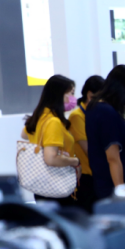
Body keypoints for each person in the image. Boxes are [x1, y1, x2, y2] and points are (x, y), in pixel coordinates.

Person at [86, 65, 125, 200]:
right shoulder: (107, 112)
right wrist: (121, 193)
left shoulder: (97, 107)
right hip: (114, 186)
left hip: (105, 182)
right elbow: (113, 159)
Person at [24, 74, 80, 205]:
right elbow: (50, 158)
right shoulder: (53, 121)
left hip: (42, 184)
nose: (73, 98)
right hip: (57, 184)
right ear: (59, 94)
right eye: (71, 93)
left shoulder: (40, 116)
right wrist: (75, 161)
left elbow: (24, 134)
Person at [68, 74, 105, 211]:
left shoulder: (99, 114)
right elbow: (90, 151)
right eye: (94, 97)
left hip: (98, 175)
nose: (99, 102)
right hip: (86, 177)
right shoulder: (77, 117)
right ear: (88, 94)